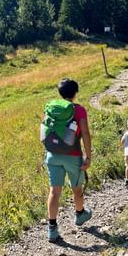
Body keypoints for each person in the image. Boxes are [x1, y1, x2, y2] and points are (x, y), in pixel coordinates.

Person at [45, 79, 92, 242]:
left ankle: (52, 229)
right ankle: (79, 215)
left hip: (52, 154)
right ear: (75, 92)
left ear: (60, 92)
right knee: (76, 189)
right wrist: (88, 156)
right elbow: (85, 133)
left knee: (54, 191)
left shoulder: (51, 107)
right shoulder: (78, 110)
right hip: (73, 155)